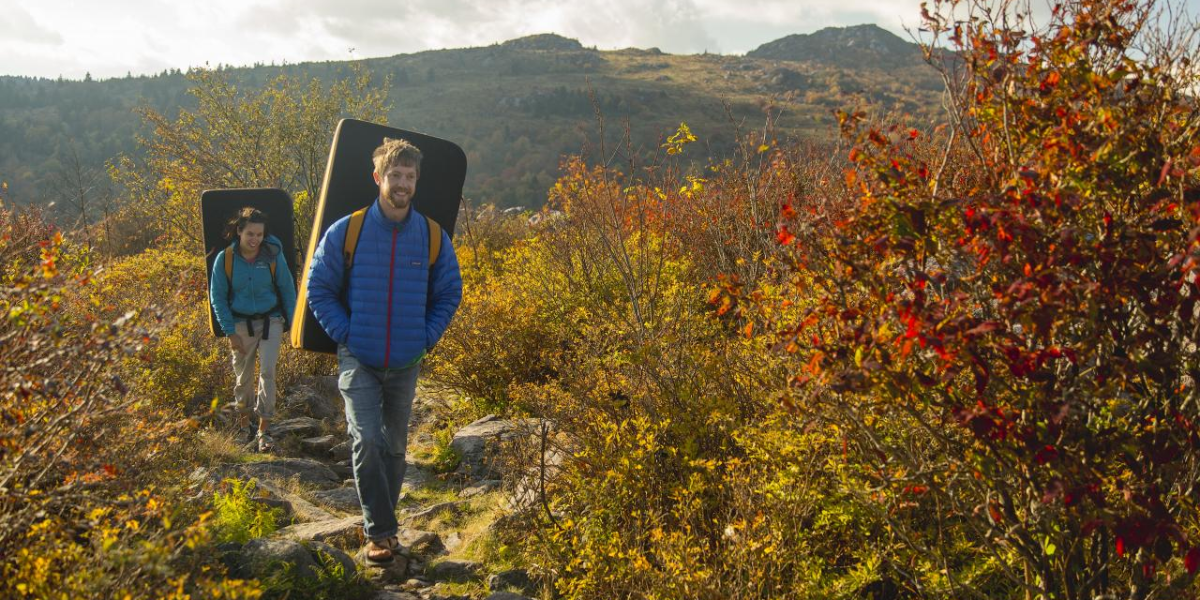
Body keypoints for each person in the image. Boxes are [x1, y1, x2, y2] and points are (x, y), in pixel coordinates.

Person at [305, 137, 462, 565]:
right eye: (395, 175)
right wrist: (346, 333)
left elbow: (450, 291)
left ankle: (385, 527)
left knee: (394, 448)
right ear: (378, 177)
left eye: (410, 177)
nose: (403, 184)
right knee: (366, 440)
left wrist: (426, 335)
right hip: (360, 359)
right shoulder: (348, 230)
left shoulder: (432, 236)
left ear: (417, 181)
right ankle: (380, 532)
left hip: (407, 361)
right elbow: (317, 287)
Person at [210, 207, 297, 453]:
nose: (254, 239)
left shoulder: (272, 255)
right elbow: (217, 297)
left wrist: (294, 325)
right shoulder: (225, 259)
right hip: (239, 324)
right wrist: (229, 331)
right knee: (243, 378)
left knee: (268, 373)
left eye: (259, 234)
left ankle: (264, 430)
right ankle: (243, 425)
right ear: (239, 231)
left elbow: (287, 289)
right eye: (250, 233)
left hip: (271, 321)